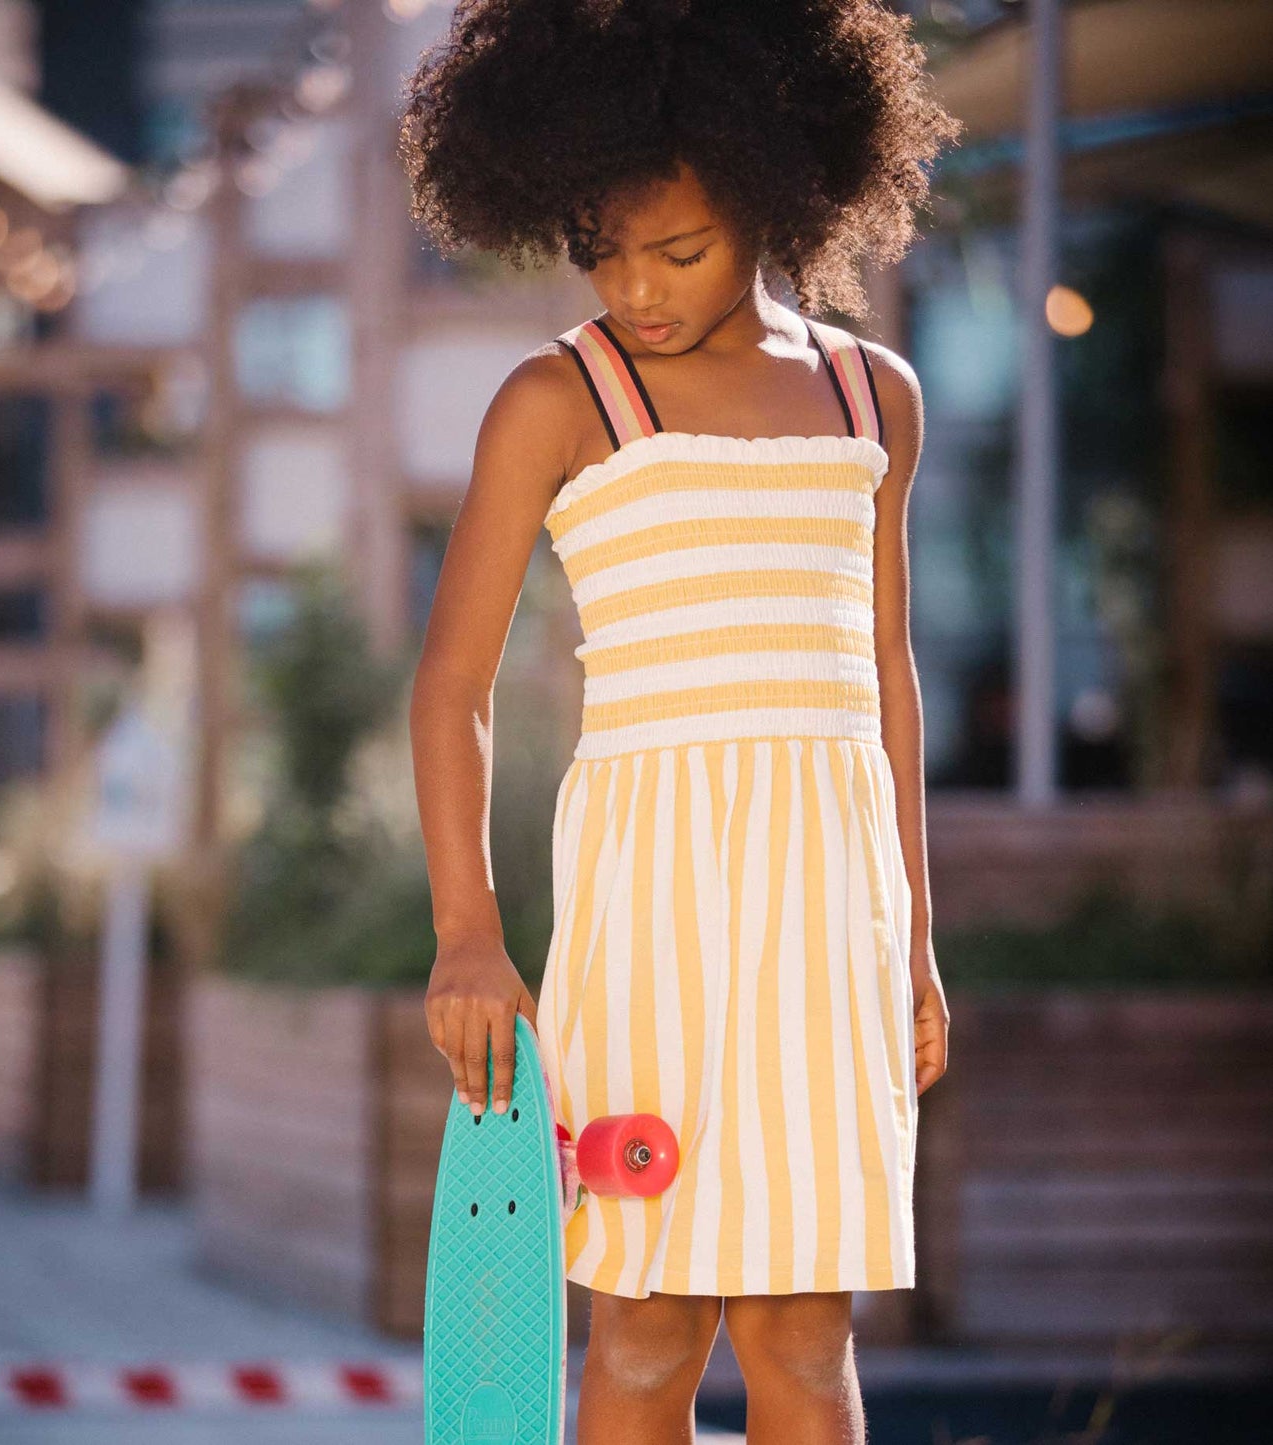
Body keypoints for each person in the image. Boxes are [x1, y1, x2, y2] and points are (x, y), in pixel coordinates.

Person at [401, 3, 959, 1441]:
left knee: (801, 1327)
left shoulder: (868, 395)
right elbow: (449, 685)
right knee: (643, 1329)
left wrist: (914, 936)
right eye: (603, 248)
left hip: (830, 915)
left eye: (680, 249)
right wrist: (468, 930)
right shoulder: (557, 398)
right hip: (648, 910)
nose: (637, 287)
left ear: (776, 199)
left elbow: (882, 677)